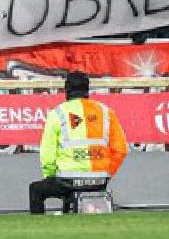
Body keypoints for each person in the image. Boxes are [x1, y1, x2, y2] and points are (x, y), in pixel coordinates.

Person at [29, 71, 128, 215]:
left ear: (66, 90)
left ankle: (38, 231)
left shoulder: (58, 113)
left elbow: (47, 152)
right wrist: (106, 173)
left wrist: (50, 175)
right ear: (87, 89)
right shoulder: (106, 112)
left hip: (67, 181)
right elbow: (121, 149)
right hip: (99, 181)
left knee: (36, 190)